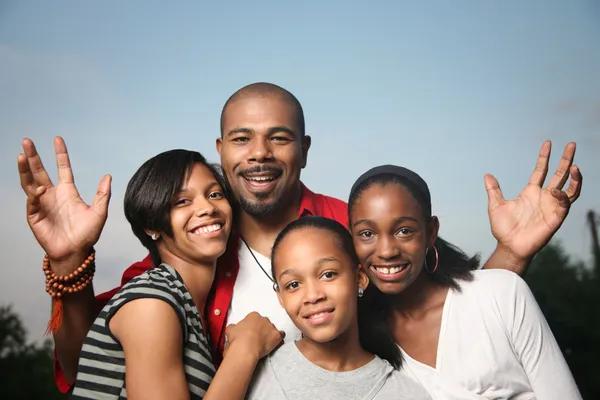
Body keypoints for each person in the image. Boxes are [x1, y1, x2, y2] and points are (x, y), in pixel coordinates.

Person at [17, 82, 582, 393]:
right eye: (242, 139)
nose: (259, 153)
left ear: (304, 149)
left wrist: (513, 253)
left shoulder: (348, 227)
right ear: (221, 151)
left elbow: (438, 312)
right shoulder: (187, 257)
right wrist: (68, 263)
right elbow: (90, 360)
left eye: (278, 138)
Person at [48, 146, 283, 399]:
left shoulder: (183, 305)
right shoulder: (152, 302)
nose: (208, 208)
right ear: (152, 225)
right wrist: (245, 349)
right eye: (182, 201)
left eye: (214, 194)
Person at [347, 164, 583, 399]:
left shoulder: (503, 292)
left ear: (431, 232)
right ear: (352, 240)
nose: (387, 251)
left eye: (404, 231)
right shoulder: (360, 343)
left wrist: (512, 252)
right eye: (367, 234)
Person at [246, 216, 431, 399]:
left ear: (359, 278)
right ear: (281, 297)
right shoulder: (251, 373)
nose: (313, 296)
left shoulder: (407, 394)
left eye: (328, 274)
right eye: (293, 284)